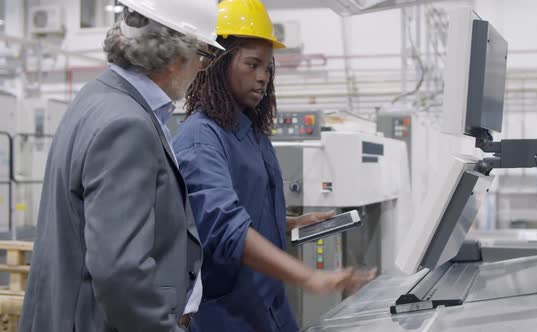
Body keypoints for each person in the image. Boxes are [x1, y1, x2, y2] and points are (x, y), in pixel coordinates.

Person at [19, 1, 223, 331]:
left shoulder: (97, 97)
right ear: (175, 55)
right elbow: (119, 270)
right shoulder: (127, 125)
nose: (201, 67)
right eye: (203, 55)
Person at [172, 1, 376, 331]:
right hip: (227, 316)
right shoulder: (200, 139)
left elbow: (249, 209)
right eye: (252, 65)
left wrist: (291, 222)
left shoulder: (251, 132)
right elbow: (225, 230)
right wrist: (310, 277)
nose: (263, 77)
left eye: (268, 68)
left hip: (271, 309)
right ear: (219, 63)